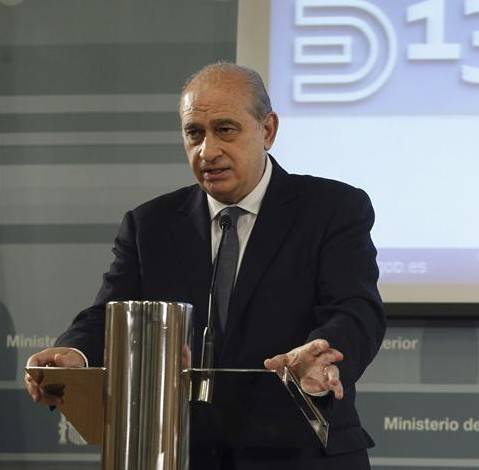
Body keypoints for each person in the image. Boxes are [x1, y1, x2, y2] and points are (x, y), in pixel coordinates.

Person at [23, 62, 385, 469]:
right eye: (194, 133)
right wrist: (75, 356)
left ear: (267, 130)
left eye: (225, 130)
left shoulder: (332, 209)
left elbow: (355, 309)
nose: (207, 152)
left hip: (302, 453)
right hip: (185, 453)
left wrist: (324, 355)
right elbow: (108, 315)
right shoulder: (150, 224)